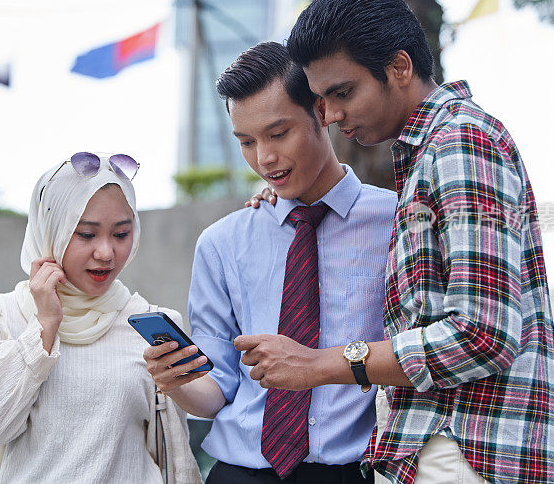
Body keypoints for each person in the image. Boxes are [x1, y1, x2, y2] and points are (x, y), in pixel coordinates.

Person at [247, 0, 554, 484]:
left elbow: (484, 335)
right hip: (436, 449)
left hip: (464, 452)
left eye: (342, 93)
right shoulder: (427, 156)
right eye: (322, 100)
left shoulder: (460, 143)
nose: (332, 116)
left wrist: (322, 364)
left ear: (400, 67)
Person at [143, 42, 397, 484]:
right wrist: (176, 380)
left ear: (322, 112)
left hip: (351, 472)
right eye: (246, 141)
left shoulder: (395, 223)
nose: (264, 158)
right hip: (238, 472)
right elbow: (218, 390)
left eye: (278, 134)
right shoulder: (222, 243)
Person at [0, 153, 202, 483]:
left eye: (121, 234)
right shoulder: (1, 314)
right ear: (51, 229)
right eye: (86, 234)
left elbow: (176, 446)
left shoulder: (151, 323)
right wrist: (43, 326)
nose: (106, 253)